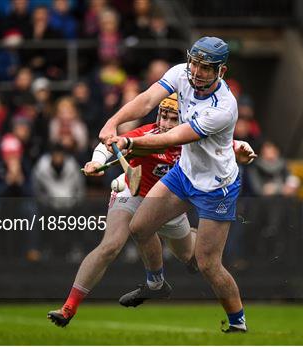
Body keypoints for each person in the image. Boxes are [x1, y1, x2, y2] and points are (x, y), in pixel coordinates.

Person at [47, 93, 255, 328]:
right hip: (133, 194)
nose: (166, 124)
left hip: (169, 204)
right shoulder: (146, 134)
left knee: (194, 260)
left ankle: (192, 242)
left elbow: (229, 145)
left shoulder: (195, 141)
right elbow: (109, 144)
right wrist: (96, 161)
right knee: (111, 245)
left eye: (173, 119)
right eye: (163, 116)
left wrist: (241, 148)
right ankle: (70, 307)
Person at [100, 37, 251, 333]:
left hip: (215, 186)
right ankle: (156, 284)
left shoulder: (224, 107)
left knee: (208, 264)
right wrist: (113, 122)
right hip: (184, 173)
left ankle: (237, 323)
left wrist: (130, 140)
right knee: (140, 227)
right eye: (195, 63)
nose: (196, 71)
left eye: (206, 67)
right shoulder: (181, 72)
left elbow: (174, 137)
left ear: (221, 71)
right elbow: (146, 100)